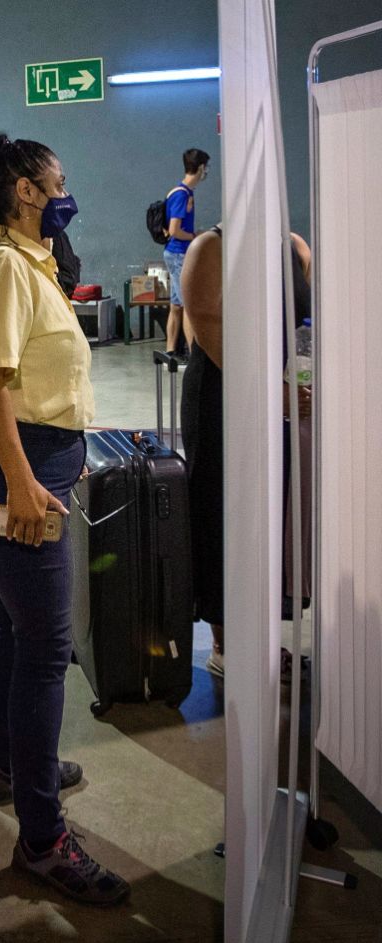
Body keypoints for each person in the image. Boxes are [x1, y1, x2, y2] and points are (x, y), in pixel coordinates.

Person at [0, 133, 127, 906]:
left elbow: (44, 374)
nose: (66, 189)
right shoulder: (0, 267)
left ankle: (9, 765)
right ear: (26, 190)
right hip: (11, 464)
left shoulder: (35, 266)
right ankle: (42, 837)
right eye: (59, 178)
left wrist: (65, 453)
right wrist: (24, 480)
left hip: (41, 457)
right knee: (48, 644)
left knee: (16, 626)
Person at [180, 225, 312, 679]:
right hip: (221, 396)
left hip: (280, 394)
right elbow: (208, 326)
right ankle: (226, 643)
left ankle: (265, 634)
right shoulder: (210, 248)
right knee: (222, 509)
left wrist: (301, 381)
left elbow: (305, 326)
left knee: (273, 510)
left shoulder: (295, 249)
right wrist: (269, 390)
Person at [163, 148, 210, 362]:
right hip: (179, 254)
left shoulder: (182, 193)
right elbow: (174, 230)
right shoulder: (182, 195)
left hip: (176, 254)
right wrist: (194, 236)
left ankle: (171, 350)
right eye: (205, 167)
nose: (206, 172)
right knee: (187, 305)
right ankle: (193, 354)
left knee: (176, 304)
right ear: (200, 168)